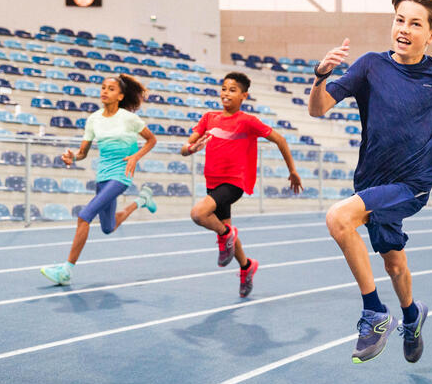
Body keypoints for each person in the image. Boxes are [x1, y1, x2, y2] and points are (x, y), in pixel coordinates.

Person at [308, 0, 432, 364]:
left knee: (338, 217)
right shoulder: (369, 66)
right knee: (394, 264)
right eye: (400, 19)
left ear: (431, 35)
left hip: (412, 184)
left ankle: (375, 313)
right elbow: (318, 109)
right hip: (371, 182)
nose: (404, 29)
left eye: (416, 23)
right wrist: (321, 76)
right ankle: (413, 316)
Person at [182, 72, 302, 297]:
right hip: (212, 182)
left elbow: (280, 139)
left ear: (244, 95)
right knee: (226, 234)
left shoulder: (247, 121)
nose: (226, 93)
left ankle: (225, 232)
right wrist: (191, 148)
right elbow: (185, 147)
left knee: (198, 214)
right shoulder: (208, 118)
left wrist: (293, 171)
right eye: (224, 88)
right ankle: (247, 266)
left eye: (233, 90)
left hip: (235, 182)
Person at [41, 74, 157, 285]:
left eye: (111, 89)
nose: (104, 91)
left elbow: (151, 140)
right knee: (107, 227)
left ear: (120, 96)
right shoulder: (93, 119)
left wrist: (136, 156)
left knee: (84, 216)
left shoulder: (129, 118)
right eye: (103, 87)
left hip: (122, 175)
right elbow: (83, 152)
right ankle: (141, 201)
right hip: (103, 175)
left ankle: (66, 270)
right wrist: (73, 157)